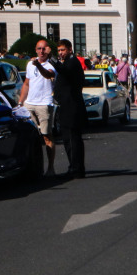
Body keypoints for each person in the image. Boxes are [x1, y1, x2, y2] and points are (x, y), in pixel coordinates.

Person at [17, 39, 58, 175]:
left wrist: (38, 66)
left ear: (48, 50)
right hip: (29, 103)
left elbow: (48, 75)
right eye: (39, 49)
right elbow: (27, 84)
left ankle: (50, 167)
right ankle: (30, 167)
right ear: (35, 50)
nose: (41, 51)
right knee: (29, 136)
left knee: (47, 136)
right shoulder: (30, 65)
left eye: (44, 49)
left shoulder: (50, 64)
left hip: (44, 103)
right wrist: (20, 102)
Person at [52, 39, 87, 177]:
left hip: (71, 107)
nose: (60, 53)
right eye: (59, 50)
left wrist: (51, 59)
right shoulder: (67, 62)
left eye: (63, 50)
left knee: (72, 139)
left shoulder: (72, 62)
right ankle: (75, 166)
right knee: (69, 138)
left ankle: (76, 167)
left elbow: (64, 71)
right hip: (66, 106)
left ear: (70, 50)